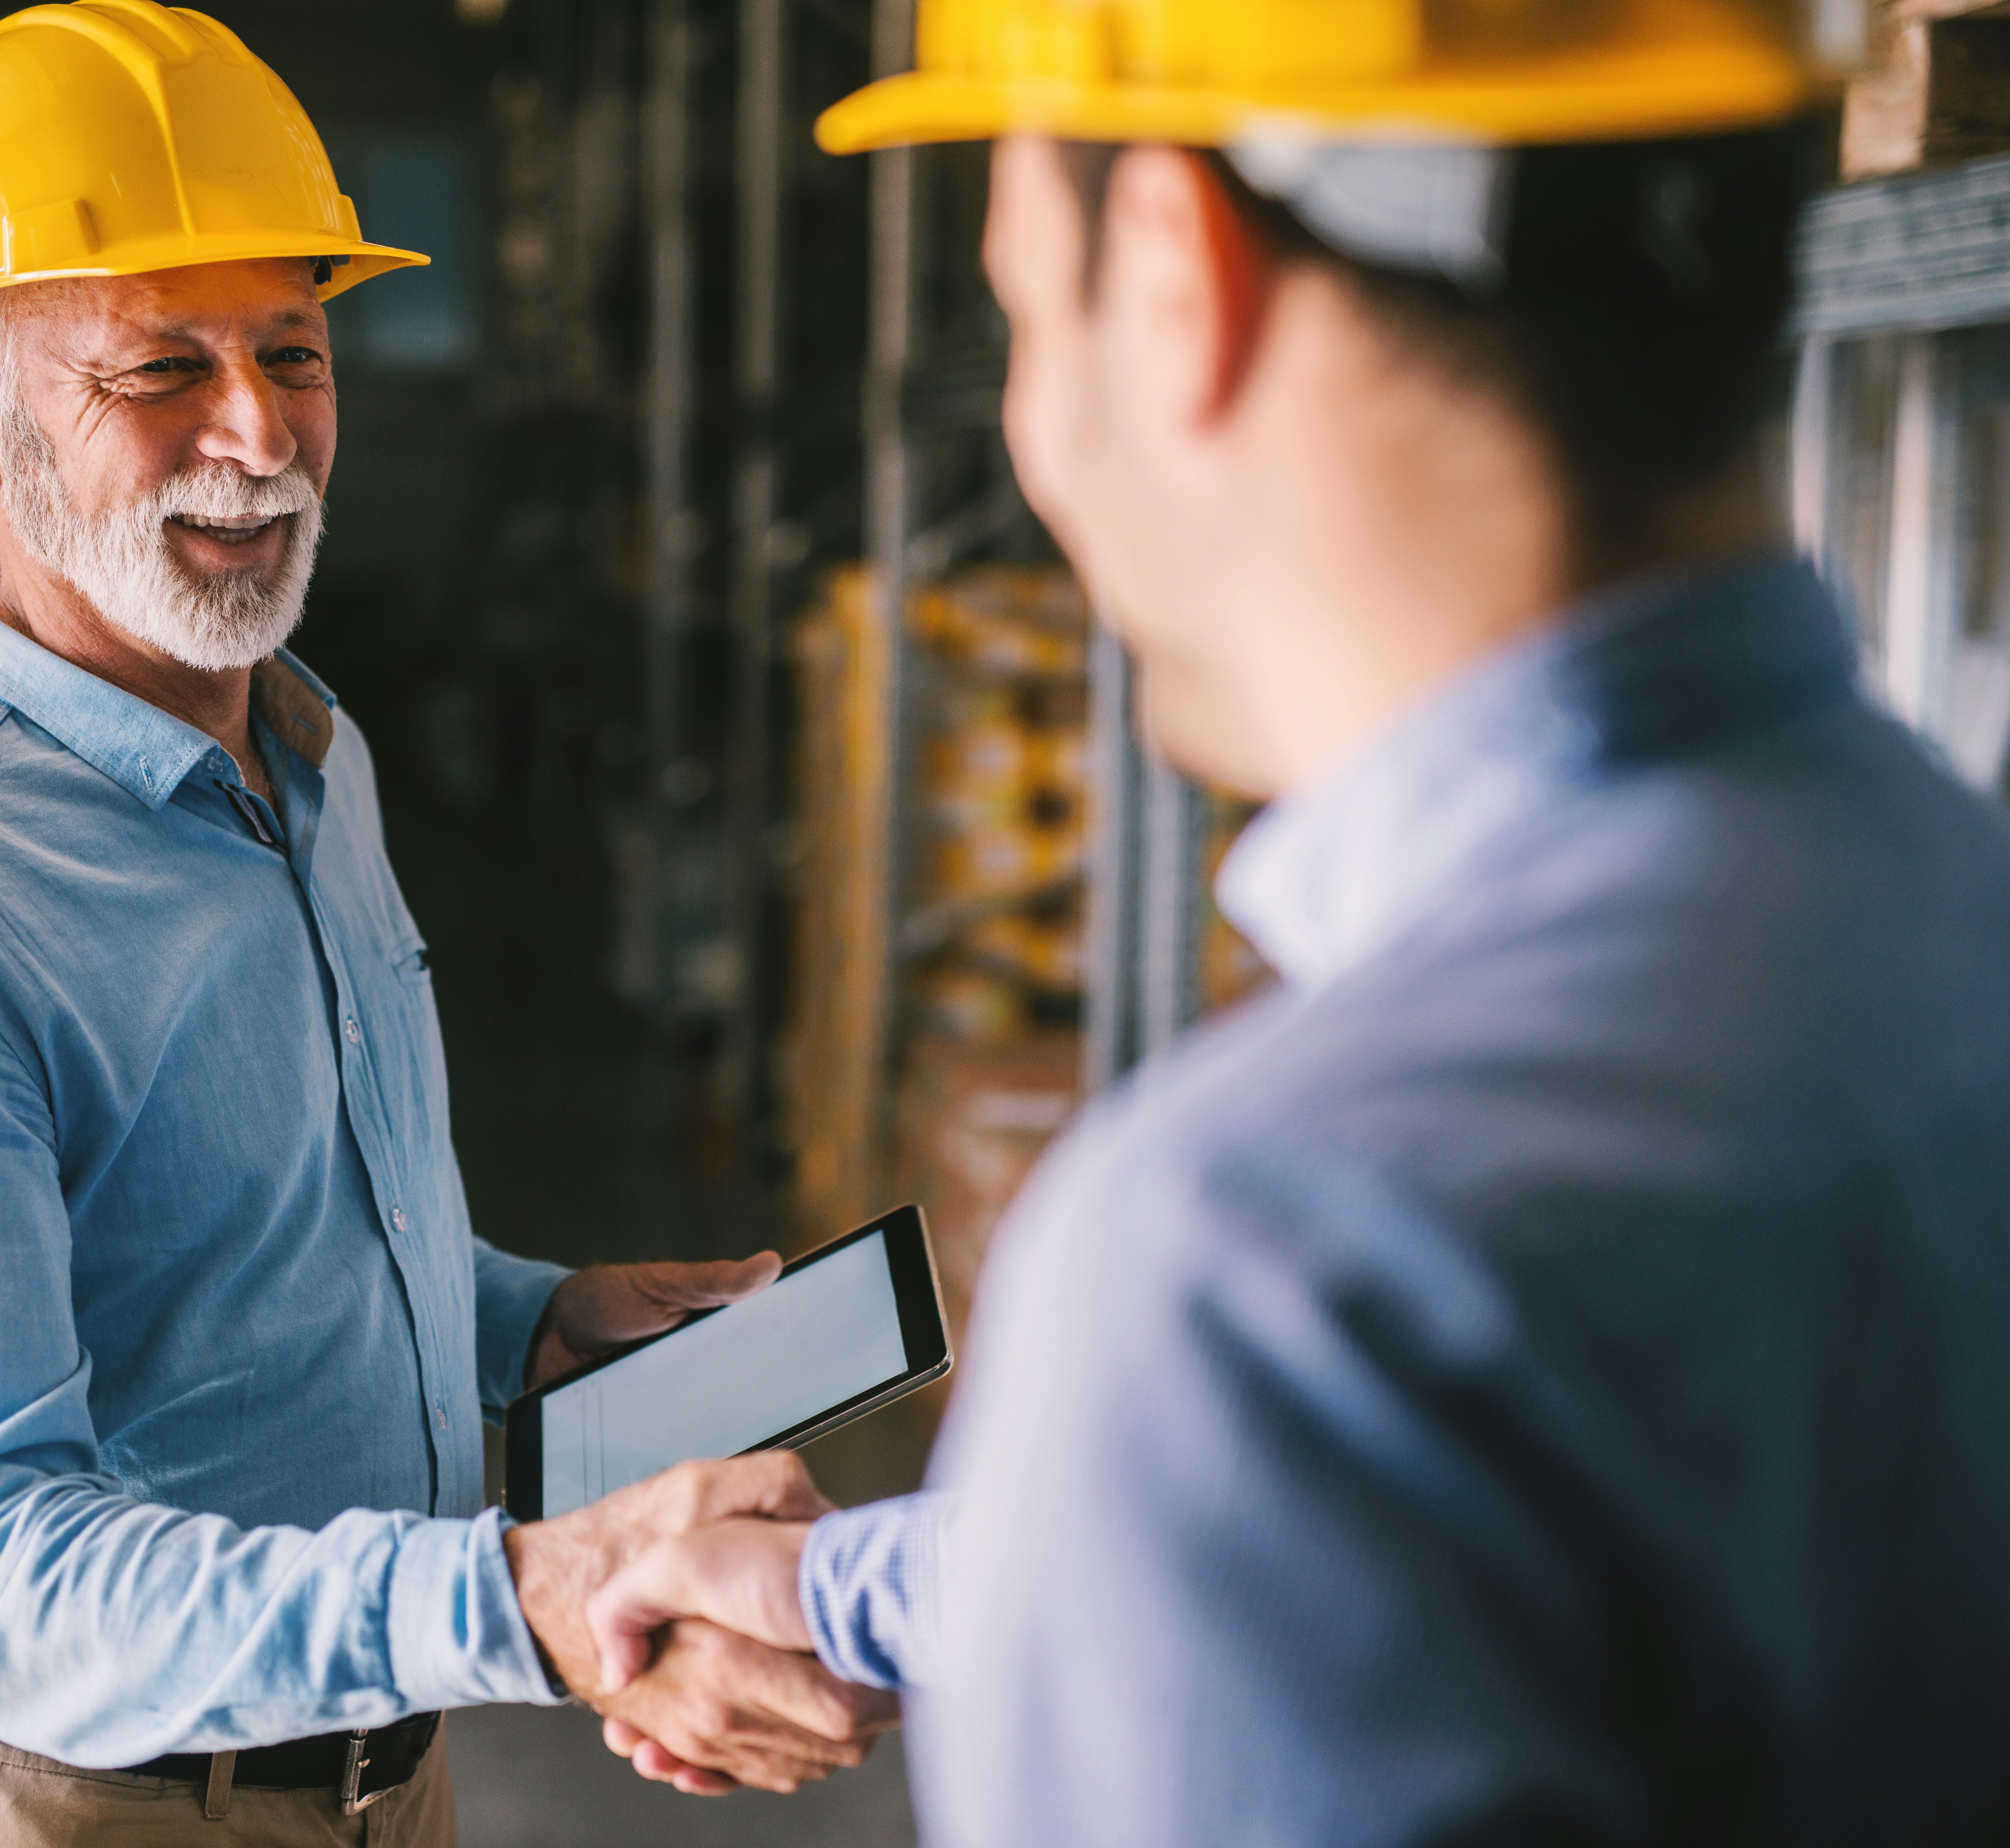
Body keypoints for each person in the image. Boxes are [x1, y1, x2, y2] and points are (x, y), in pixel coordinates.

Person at [572, 2, 2010, 1843]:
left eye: (1018, 310)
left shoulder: (1264, 1269)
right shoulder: (1940, 919)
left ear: (1173, 274)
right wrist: (860, 1588)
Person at [0, 4, 886, 1840]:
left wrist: (525, 1321)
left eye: (295, 349)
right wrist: (518, 1595)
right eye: (159, 374)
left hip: (384, 1770)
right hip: (78, 1805)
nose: (260, 432)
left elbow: (243, 1247)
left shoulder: (309, 748)